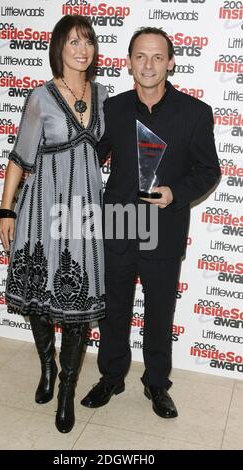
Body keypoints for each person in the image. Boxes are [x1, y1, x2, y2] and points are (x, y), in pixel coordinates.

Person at [81, 27, 221, 418]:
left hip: (164, 226)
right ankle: (111, 376)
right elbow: (92, 158)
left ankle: (157, 384)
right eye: (141, 56)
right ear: (128, 62)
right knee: (113, 311)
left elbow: (208, 170)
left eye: (158, 57)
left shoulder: (195, 113)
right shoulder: (114, 109)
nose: (149, 64)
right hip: (119, 224)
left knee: (159, 313)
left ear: (171, 62)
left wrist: (175, 193)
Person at [0, 15, 108, 433]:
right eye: (73, 42)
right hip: (42, 209)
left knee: (78, 309)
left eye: (89, 42)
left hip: (83, 217)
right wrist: (6, 211)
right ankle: (47, 364)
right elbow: (20, 156)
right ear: (58, 48)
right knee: (38, 296)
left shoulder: (103, 95)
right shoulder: (40, 97)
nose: (82, 49)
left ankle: (66, 389)